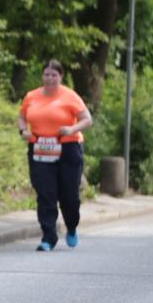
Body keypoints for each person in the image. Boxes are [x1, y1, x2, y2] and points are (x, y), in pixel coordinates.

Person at [18, 59, 93, 251]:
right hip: (40, 147)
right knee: (45, 194)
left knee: (69, 196)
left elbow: (87, 119)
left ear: (60, 76)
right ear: (42, 76)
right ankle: (48, 237)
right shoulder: (32, 96)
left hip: (68, 147)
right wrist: (23, 131)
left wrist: (71, 128)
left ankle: (72, 225)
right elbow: (22, 117)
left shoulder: (70, 96)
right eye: (46, 74)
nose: (49, 78)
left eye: (54, 75)